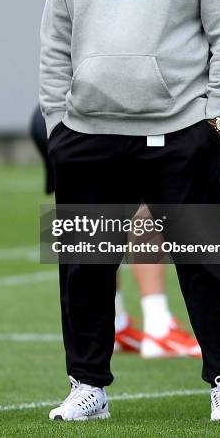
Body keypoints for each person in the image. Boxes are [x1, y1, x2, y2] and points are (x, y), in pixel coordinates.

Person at [40, 0, 220, 422]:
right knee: (84, 266)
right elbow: (55, 39)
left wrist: (215, 111)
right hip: (87, 133)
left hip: (180, 130)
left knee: (204, 260)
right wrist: (58, 118)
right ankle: (88, 387)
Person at [30, 105, 201, 357]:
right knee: (143, 209)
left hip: (57, 117)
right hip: (97, 121)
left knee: (98, 215)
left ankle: (116, 325)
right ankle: (159, 325)